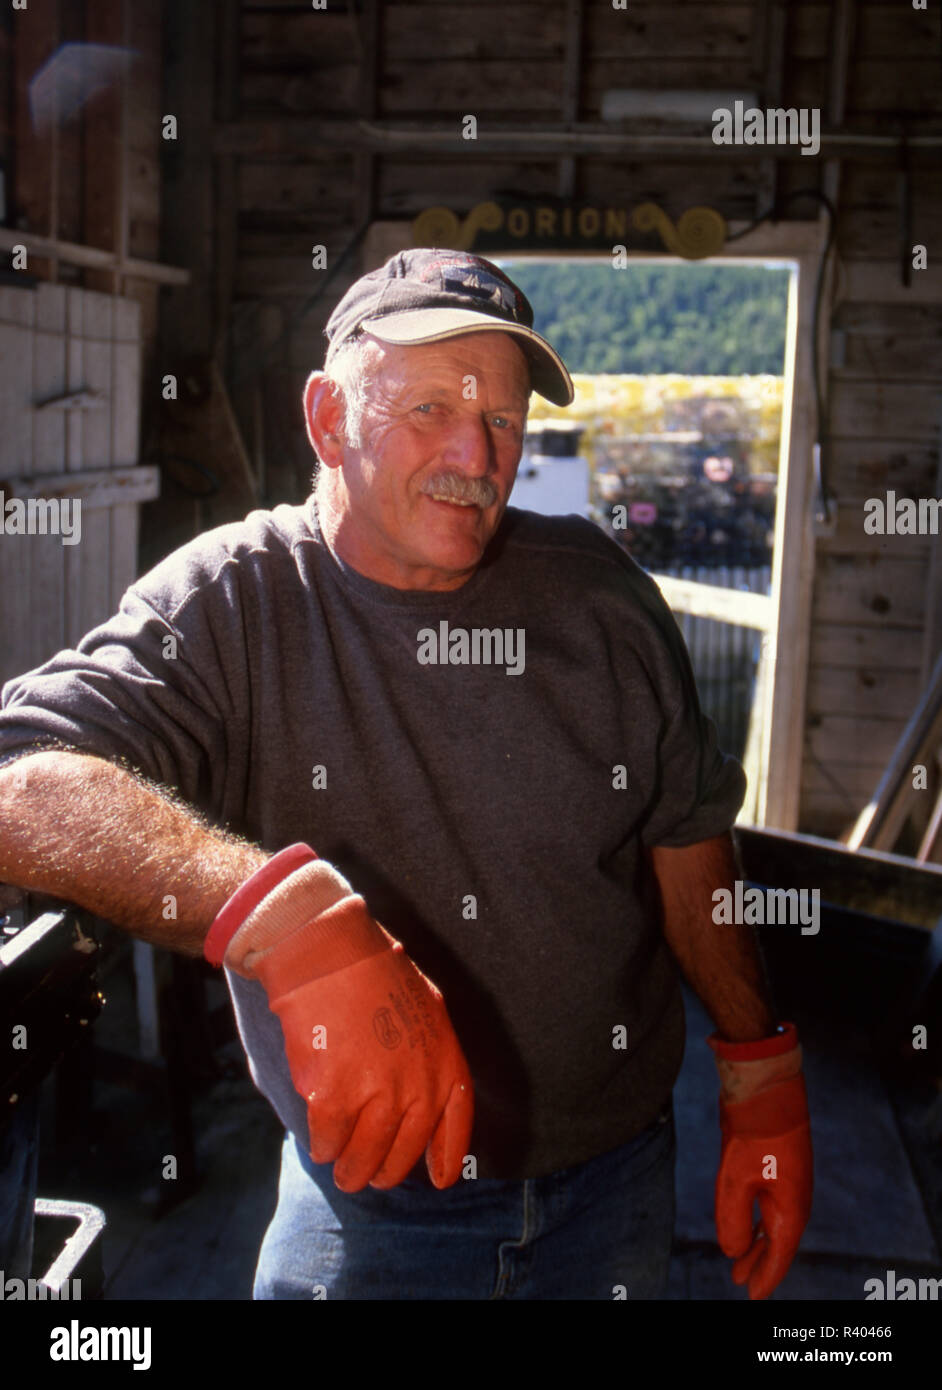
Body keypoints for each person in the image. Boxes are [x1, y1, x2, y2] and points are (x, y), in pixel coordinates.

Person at [0, 248, 812, 1301]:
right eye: (432, 408)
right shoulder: (235, 602)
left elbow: (686, 840)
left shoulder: (603, 595)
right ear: (329, 419)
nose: (477, 453)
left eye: (506, 420)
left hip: (617, 1184)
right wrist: (285, 920)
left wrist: (761, 1072)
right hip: (371, 1208)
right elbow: (20, 776)